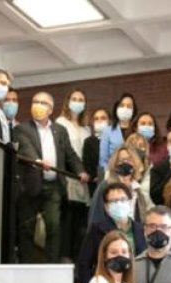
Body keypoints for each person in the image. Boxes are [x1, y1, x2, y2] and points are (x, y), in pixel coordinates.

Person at [13, 91, 89, 264]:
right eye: (35, 101)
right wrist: (38, 161)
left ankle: (52, 265)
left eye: (43, 103)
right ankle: (27, 264)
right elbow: (25, 148)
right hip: (30, 185)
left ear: (51, 109)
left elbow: (70, 154)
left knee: (54, 226)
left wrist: (80, 171)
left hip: (54, 185)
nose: (38, 105)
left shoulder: (59, 130)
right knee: (27, 227)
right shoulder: (21, 129)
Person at [77, 181, 145, 283]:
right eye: (113, 201)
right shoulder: (97, 229)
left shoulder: (140, 229)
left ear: (130, 202)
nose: (119, 204)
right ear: (106, 207)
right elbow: (84, 264)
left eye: (122, 200)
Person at [55, 89, 92, 262]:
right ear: (68, 101)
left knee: (80, 224)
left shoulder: (86, 129)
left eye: (81, 99)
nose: (77, 102)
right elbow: (63, 152)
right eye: (74, 98)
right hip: (68, 177)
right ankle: (64, 259)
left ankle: (77, 263)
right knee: (67, 223)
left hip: (84, 182)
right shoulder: (60, 123)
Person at [98, 92, 137, 173]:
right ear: (117, 108)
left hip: (134, 175)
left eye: (129, 106)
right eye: (122, 105)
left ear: (134, 110)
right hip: (113, 175)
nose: (125, 109)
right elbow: (103, 159)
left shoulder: (137, 131)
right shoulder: (108, 131)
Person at [82, 108, 110, 192]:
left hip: (115, 184)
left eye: (103, 118)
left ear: (109, 121)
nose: (99, 121)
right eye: (96, 119)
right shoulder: (88, 142)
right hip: (96, 186)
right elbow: (87, 165)